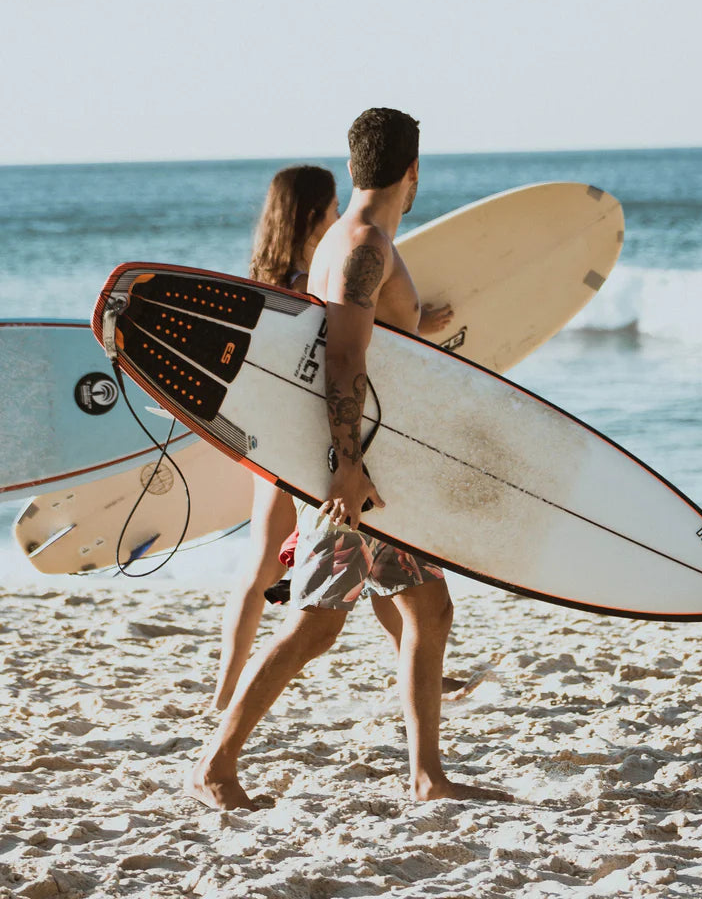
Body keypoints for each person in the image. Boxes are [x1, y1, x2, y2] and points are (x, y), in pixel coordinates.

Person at [188, 109, 507, 811]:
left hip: (371, 463)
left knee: (422, 611)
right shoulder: (364, 242)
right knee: (321, 624)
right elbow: (342, 357)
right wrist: (343, 469)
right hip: (358, 468)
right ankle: (217, 764)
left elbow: (360, 334)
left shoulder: (348, 240)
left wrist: (417, 323)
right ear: (413, 171)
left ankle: (427, 775)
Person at [213, 161, 454, 712]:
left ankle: (226, 695)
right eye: (328, 208)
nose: (335, 216)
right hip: (317, 444)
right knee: (296, 596)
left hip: (285, 433)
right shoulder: (313, 278)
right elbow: (339, 354)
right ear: (313, 214)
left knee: (386, 584)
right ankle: (225, 711)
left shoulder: (275, 278)